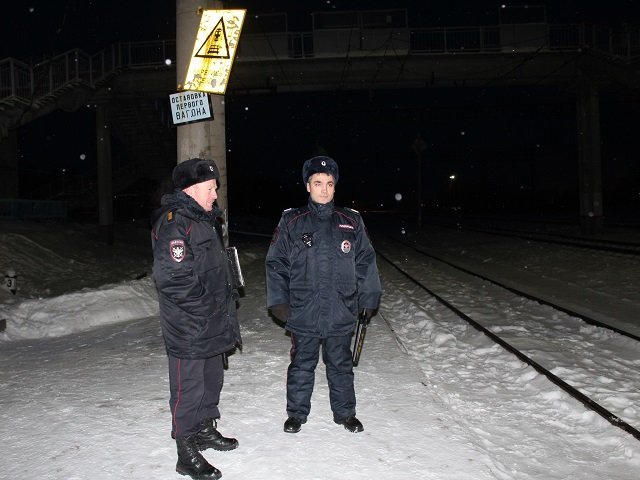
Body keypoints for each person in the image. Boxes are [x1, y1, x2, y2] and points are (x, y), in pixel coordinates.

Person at [265, 155, 382, 434]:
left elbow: (366, 260)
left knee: (340, 364)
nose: (325, 189)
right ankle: (296, 414)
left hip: (341, 307)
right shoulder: (292, 221)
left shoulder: (350, 221)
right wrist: (279, 301)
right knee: (302, 364)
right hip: (304, 308)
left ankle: (345, 414)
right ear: (308, 186)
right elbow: (276, 262)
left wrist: (369, 297)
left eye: (329, 183)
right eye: (318, 183)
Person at [151, 157, 242, 480]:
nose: (215, 194)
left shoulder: (204, 219)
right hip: (189, 324)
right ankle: (185, 450)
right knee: (188, 387)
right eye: (210, 188)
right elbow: (174, 279)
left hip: (213, 320)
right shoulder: (176, 223)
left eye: (215, 187)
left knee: (210, 379)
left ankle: (204, 428)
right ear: (191, 189)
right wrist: (206, 306)